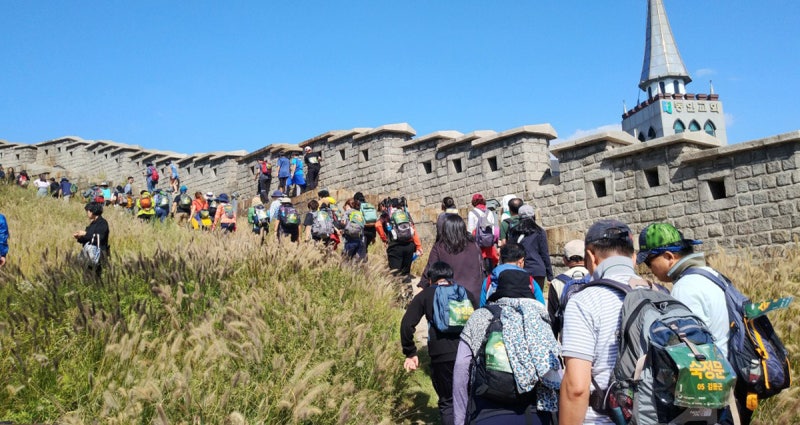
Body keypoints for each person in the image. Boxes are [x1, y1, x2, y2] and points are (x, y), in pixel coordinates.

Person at [636, 222, 742, 423]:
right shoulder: (712, 275)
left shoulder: (685, 287)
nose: (649, 269)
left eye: (650, 262)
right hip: (731, 380)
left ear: (669, 256)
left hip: (712, 393)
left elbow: (689, 348)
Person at [453, 245, 560, 425]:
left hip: (487, 409)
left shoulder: (481, 316)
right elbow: (555, 370)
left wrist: (460, 419)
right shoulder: (539, 318)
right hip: (534, 413)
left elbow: (461, 368)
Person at [560, 219, 648, 425]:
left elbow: (577, 388)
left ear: (590, 256)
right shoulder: (660, 294)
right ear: (634, 258)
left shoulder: (585, 300)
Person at [402, 261, 478, 425]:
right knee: (469, 399)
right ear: (451, 277)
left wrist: (410, 352)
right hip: (467, 353)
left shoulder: (425, 295)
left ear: (431, 279)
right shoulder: (465, 293)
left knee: (448, 402)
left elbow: (407, 325)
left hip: (440, 355)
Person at [418, 214, 484, 303]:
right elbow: (482, 268)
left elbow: (430, 270)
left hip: (452, 299)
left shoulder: (439, 247)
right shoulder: (474, 245)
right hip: (475, 296)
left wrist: (424, 287)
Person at [479, 243, 545, 307]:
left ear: (501, 259)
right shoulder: (530, 280)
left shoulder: (489, 280)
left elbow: (482, 306)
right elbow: (541, 307)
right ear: (521, 261)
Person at [547, 239, 589, 340]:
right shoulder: (597, 278)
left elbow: (553, 319)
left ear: (565, 260)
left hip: (569, 339)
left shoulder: (557, 282)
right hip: (593, 337)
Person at [376, 198, 423, 283]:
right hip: (409, 246)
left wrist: (384, 239)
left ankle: (398, 295)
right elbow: (413, 230)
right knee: (406, 273)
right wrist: (418, 246)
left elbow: (377, 225)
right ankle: (409, 294)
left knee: (395, 274)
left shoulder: (388, 215)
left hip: (395, 247)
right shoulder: (405, 214)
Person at [73, 202, 110, 277]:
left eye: (88, 211)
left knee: (95, 276)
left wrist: (85, 234)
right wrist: (79, 237)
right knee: (88, 275)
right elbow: (89, 238)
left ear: (93, 211)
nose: (87, 213)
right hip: (90, 254)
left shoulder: (102, 223)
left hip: (98, 253)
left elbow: (100, 237)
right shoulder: (92, 224)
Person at [467, 193, 499, 275]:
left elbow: (470, 230)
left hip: (478, 244)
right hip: (489, 244)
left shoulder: (472, 213)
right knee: (490, 268)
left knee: (480, 269)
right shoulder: (489, 212)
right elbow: (493, 229)